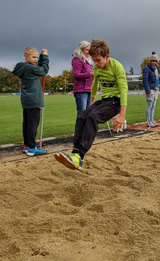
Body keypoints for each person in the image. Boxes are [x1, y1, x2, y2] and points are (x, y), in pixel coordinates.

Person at [54, 39, 128, 170]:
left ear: (107, 56)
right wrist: (92, 104)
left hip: (115, 102)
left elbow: (123, 90)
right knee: (83, 115)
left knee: (93, 117)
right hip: (104, 100)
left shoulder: (117, 67)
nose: (96, 64)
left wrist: (122, 115)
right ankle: (75, 153)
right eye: (94, 61)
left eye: (98, 60)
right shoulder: (97, 68)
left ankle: (80, 156)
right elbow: (94, 86)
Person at [12, 47, 49, 156]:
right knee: (33, 124)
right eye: (33, 57)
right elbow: (43, 70)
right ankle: (32, 148)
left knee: (27, 123)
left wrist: (42, 58)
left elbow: (39, 68)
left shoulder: (24, 67)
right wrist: (45, 57)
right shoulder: (30, 68)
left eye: (37, 57)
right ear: (26, 57)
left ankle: (28, 145)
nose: (35, 59)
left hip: (26, 100)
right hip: (34, 100)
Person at [72, 41, 94, 129]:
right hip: (81, 90)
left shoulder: (89, 60)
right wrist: (90, 74)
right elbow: (76, 74)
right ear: (81, 49)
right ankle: (78, 134)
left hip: (89, 89)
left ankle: (85, 133)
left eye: (90, 50)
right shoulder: (77, 59)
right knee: (82, 113)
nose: (89, 52)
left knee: (88, 113)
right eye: (86, 50)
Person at [143, 51, 160, 127]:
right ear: (150, 61)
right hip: (150, 89)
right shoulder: (146, 69)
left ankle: (152, 120)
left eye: (156, 61)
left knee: (153, 106)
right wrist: (148, 91)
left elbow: (156, 80)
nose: (154, 62)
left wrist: (159, 77)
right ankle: (148, 121)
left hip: (155, 89)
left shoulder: (156, 69)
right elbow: (145, 81)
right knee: (149, 106)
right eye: (153, 61)